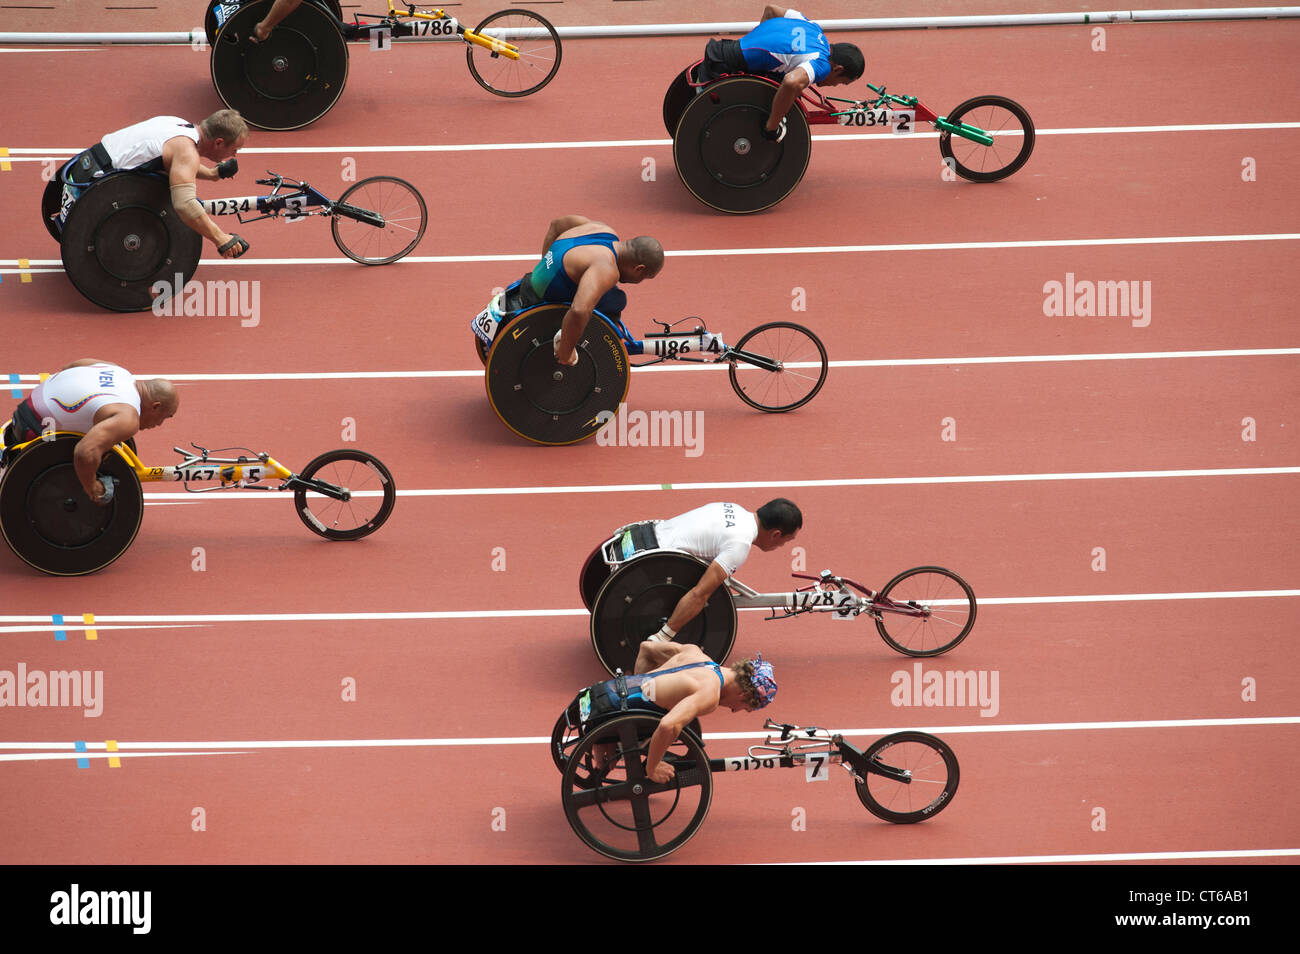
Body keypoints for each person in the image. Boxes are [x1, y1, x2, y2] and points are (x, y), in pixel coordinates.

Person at [603, 499, 802, 665]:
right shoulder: (739, 545)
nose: (783, 545)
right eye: (787, 541)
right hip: (654, 569)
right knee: (706, 590)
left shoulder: (732, 507)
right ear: (776, 534)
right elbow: (700, 594)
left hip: (646, 538)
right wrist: (663, 638)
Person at [570, 643, 778, 783]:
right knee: (675, 723)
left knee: (667, 711)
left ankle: (618, 732)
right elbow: (669, 726)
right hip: (606, 716)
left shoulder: (695, 653)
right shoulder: (710, 693)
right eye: (744, 708)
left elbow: (647, 648)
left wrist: (639, 691)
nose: (734, 711)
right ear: (743, 695)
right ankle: (614, 740)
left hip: (602, 694)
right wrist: (652, 769)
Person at [58, 110, 251, 259]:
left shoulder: (176, 123)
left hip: (81, 171)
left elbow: (175, 161)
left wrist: (212, 174)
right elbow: (185, 205)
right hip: (90, 193)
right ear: (218, 143)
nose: (234, 155)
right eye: (234, 149)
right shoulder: (186, 152)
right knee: (174, 198)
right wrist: (220, 238)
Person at [3, 360, 178, 506]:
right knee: (91, 455)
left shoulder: (119, 372)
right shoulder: (127, 417)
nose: (159, 424)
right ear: (156, 407)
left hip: (23, 413)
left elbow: (72, 367)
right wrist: (93, 489)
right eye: (164, 417)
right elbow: (84, 452)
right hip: (35, 433)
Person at [513, 216, 665, 366]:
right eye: (644, 277)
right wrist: (566, 353)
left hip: (531, 281)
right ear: (639, 269)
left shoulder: (602, 229)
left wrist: (546, 266)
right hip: (542, 297)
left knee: (603, 290)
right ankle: (569, 338)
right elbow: (579, 310)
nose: (640, 282)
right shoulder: (607, 268)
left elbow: (556, 225)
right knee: (616, 300)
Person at [701, 5, 865, 140]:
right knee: (792, 89)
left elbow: (771, 10)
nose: (835, 85)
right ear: (838, 69)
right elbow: (791, 82)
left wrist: (756, 45)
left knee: (787, 86)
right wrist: (771, 127)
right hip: (724, 67)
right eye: (841, 82)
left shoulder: (813, 27)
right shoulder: (822, 64)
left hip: (721, 50)